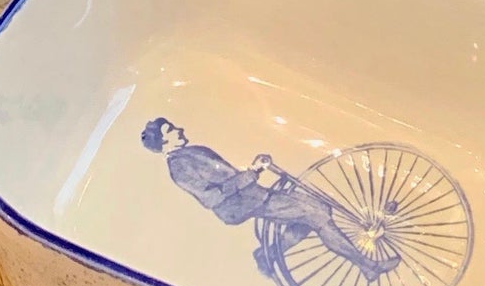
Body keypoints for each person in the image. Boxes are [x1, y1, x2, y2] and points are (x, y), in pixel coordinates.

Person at [140, 119, 395, 277]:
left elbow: (228, 176)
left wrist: (251, 173)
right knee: (317, 212)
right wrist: (251, 173)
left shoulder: (194, 151)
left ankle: (268, 253)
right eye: (171, 130)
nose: (179, 129)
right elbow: (211, 198)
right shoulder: (179, 167)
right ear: (163, 143)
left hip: (251, 196)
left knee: (314, 212)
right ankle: (367, 266)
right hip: (239, 206)